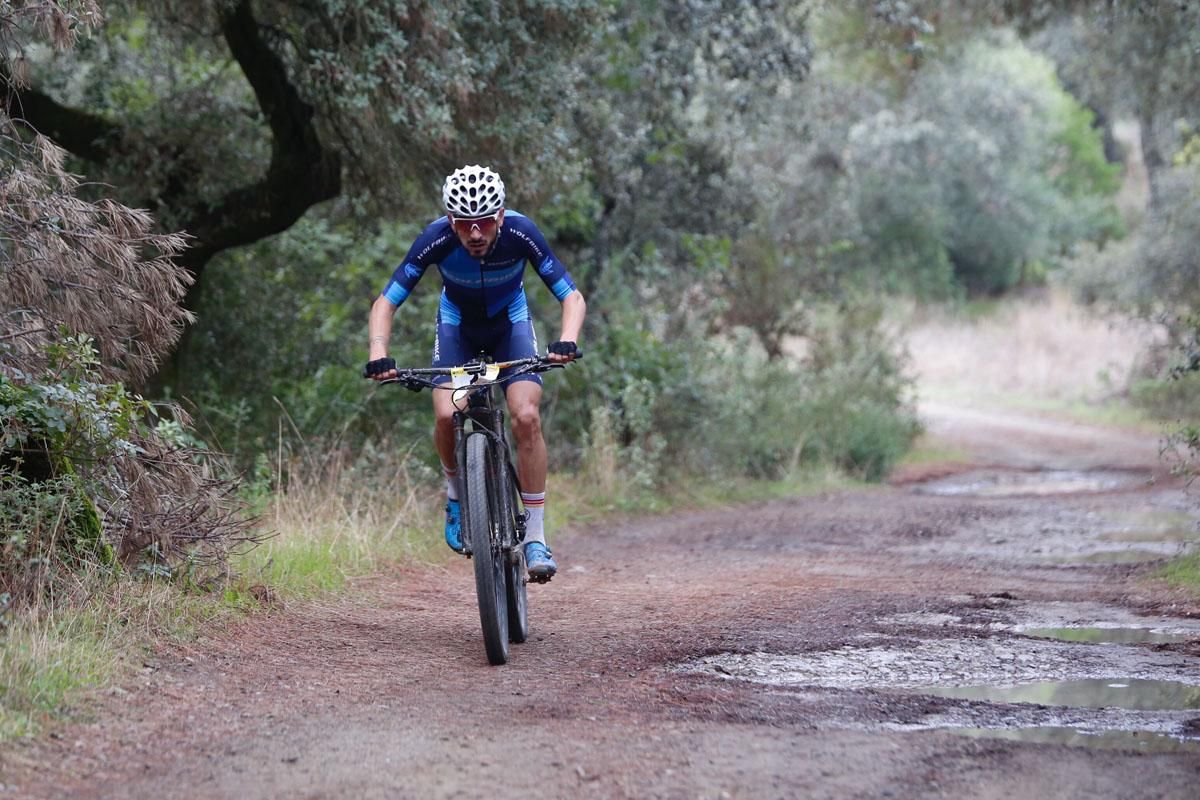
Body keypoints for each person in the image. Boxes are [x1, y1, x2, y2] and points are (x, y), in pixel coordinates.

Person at [364, 164, 585, 580]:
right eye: (465, 224)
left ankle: (535, 536)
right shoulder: (435, 239)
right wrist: (379, 352)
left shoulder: (522, 233)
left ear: (500, 215)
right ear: (451, 221)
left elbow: (570, 296)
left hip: (510, 325)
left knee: (525, 416)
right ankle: (455, 497)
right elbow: (385, 302)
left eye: (484, 221)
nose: (476, 233)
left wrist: (567, 339)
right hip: (458, 329)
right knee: (448, 413)